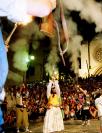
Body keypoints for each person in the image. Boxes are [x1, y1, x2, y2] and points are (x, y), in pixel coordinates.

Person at [0, 0, 56, 132]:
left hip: (18, 107)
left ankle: (24, 128)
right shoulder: (20, 94)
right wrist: (52, 3)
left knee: (24, 119)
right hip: (18, 107)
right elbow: (44, 8)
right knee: (19, 119)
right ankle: (19, 129)